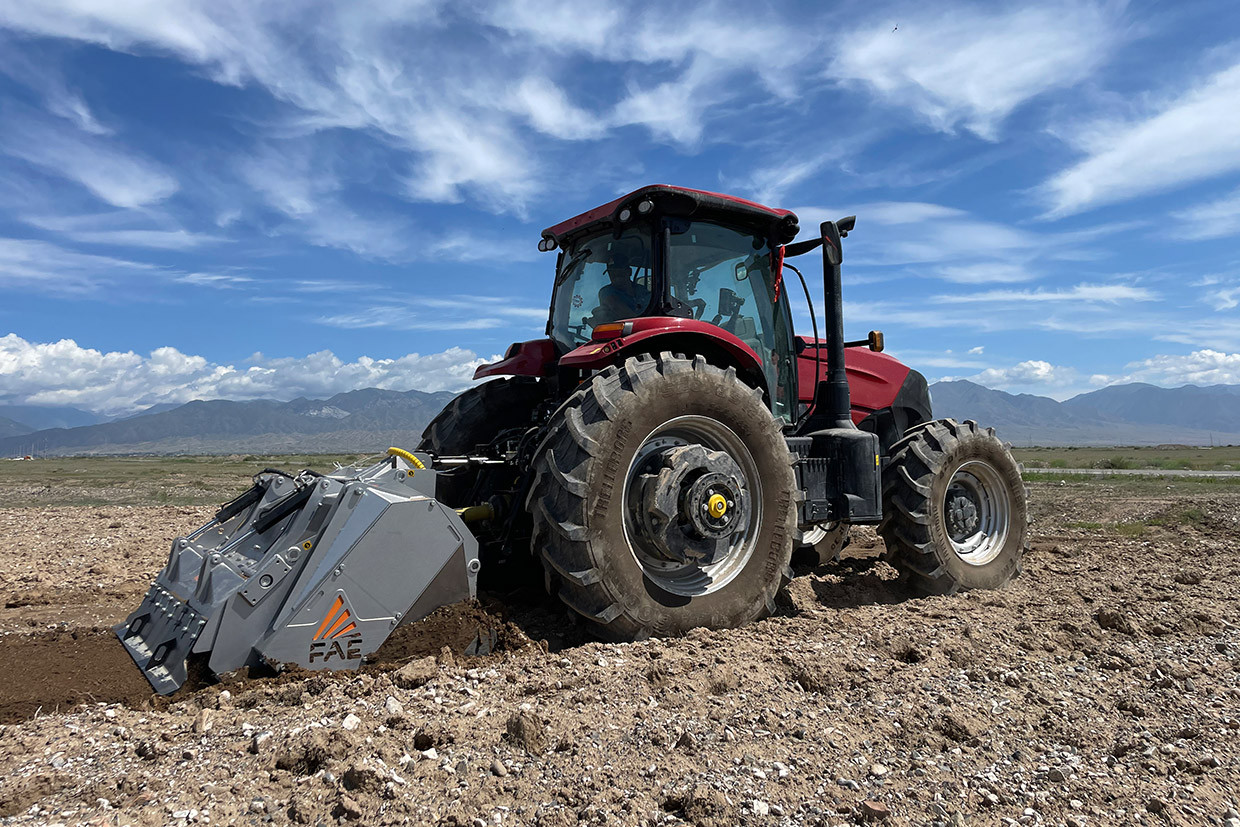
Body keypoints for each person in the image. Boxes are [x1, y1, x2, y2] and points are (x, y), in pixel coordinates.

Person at [595, 254, 650, 321]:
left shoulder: (641, 290)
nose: (615, 275)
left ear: (629, 271)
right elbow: (616, 307)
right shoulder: (606, 292)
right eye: (612, 272)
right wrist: (641, 322)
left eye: (619, 271)